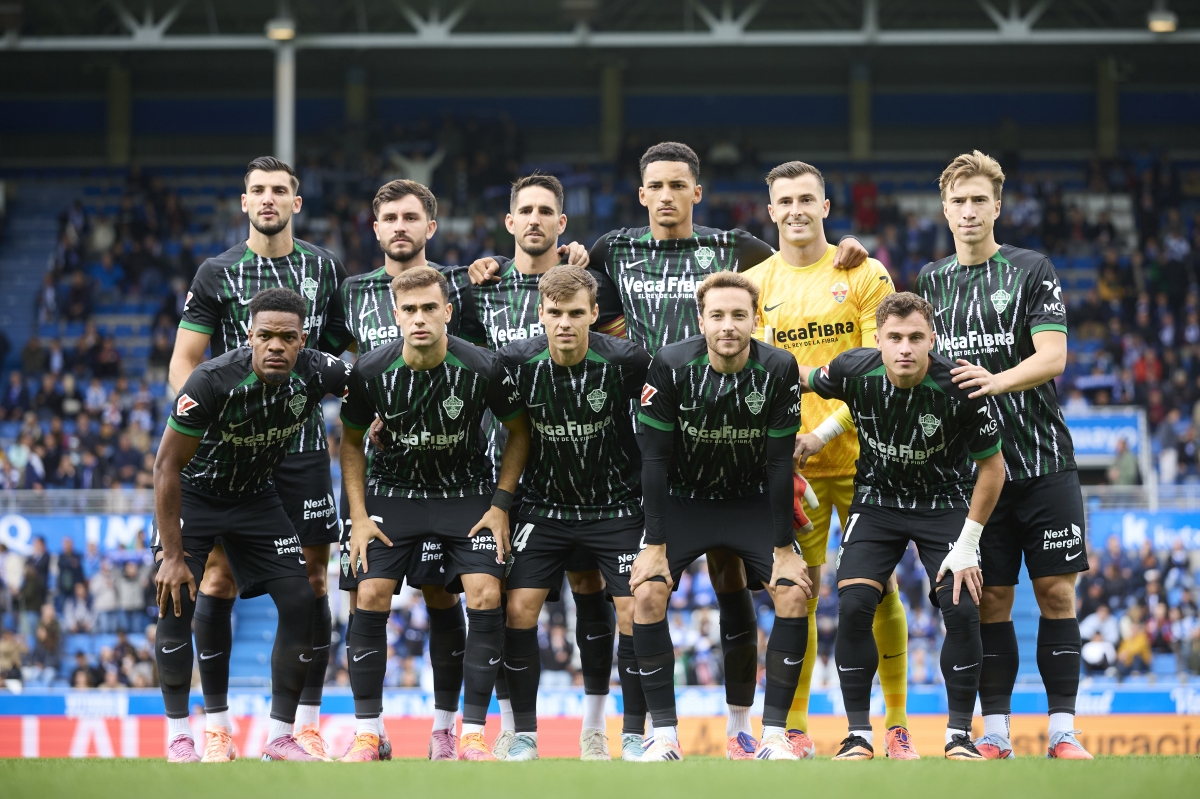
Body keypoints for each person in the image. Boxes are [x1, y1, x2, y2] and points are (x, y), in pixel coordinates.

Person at [470, 142, 866, 758]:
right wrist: (491, 264)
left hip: (729, 441)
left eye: (678, 185)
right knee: (615, 591)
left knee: (734, 582)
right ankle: (637, 734)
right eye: (654, 185)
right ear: (640, 194)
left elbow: (795, 252)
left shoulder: (734, 247)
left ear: (696, 193)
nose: (665, 196)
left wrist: (841, 249)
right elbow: (562, 287)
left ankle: (745, 731)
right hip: (645, 445)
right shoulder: (613, 250)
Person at [168, 156, 351, 760]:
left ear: (297, 203)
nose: (268, 199)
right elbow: (184, 360)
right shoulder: (216, 272)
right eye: (257, 191)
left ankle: (302, 726)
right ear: (243, 203)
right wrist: (203, 421)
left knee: (313, 581)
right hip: (227, 450)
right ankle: (215, 727)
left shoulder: (326, 268)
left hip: (298, 450)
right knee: (216, 576)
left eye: (279, 191)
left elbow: (338, 358)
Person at [916, 150, 1092, 760]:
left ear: (998, 206)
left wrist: (993, 379)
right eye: (958, 202)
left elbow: (1053, 358)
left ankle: (1064, 732)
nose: (968, 211)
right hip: (974, 478)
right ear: (944, 209)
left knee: (1057, 595)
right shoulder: (931, 282)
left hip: (1043, 464)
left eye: (978, 201)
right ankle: (994, 732)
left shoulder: (1031, 269)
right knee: (989, 598)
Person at [742, 160, 914, 759]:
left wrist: (824, 432)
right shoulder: (754, 283)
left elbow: (880, 369)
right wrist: (778, 450)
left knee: (879, 589)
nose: (795, 209)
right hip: (793, 469)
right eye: (784, 199)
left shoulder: (864, 272)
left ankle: (894, 726)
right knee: (799, 591)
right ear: (769, 211)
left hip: (868, 459)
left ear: (825, 205)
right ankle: (792, 729)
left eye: (806, 198)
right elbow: (754, 380)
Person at [796, 292, 1005, 760]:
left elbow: (994, 469)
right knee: (852, 606)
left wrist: (968, 543)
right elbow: (804, 377)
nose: (905, 347)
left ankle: (958, 736)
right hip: (877, 503)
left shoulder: (960, 386)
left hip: (943, 504)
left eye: (915, 337)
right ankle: (858, 736)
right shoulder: (853, 368)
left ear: (932, 339)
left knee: (962, 608)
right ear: (878, 339)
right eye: (894, 338)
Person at [338, 266, 531, 762]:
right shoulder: (369, 372)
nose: (420, 318)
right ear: (395, 315)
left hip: (465, 494)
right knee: (371, 592)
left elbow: (519, 432)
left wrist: (500, 504)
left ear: (447, 312)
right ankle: (368, 734)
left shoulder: (483, 367)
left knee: (486, 593)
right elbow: (353, 443)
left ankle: (468, 735)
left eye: (429, 308)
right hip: (392, 494)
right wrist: (358, 516)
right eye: (409, 310)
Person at [462, 173, 617, 759]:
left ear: (562, 223)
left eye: (545, 210)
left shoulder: (589, 281)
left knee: (590, 589)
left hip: (584, 465)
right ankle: (514, 729)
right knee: (508, 603)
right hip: (506, 470)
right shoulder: (481, 287)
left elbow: (619, 353)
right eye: (523, 209)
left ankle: (595, 727)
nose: (534, 219)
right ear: (509, 223)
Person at [629, 271, 811, 762]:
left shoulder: (778, 368)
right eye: (717, 316)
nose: (728, 326)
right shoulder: (669, 365)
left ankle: (764, 735)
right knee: (646, 593)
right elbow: (655, 461)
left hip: (750, 499)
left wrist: (783, 550)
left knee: (793, 596)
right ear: (701, 320)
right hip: (685, 499)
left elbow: (779, 463)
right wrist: (655, 543)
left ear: (756, 319)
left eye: (738, 315)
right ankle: (663, 735)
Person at [336, 179, 482, 760]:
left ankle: (449, 732)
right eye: (389, 217)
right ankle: (368, 730)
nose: (400, 226)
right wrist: (368, 401)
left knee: (444, 594)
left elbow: (485, 365)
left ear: (431, 226)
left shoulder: (464, 290)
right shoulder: (349, 294)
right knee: (368, 593)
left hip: (456, 471)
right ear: (375, 229)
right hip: (386, 474)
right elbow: (330, 361)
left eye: (410, 217)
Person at [496, 267, 651, 762]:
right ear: (540, 313)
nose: (565, 322)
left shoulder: (627, 362)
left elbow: (669, 412)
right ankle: (522, 735)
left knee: (633, 611)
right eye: (556, 313)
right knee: (517, 610)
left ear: (594, 315)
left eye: (576, 313)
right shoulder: (515, 361)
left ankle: (619, 734)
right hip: (543, 506)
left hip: (615, 505)